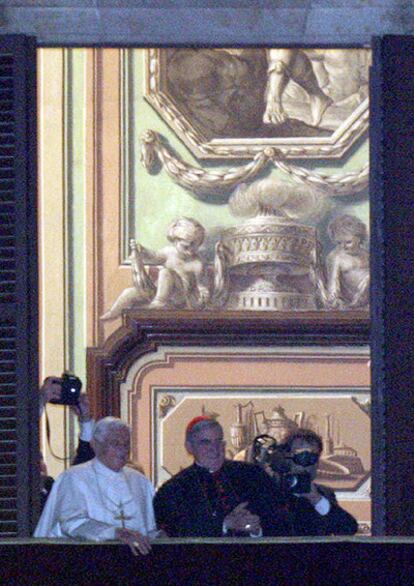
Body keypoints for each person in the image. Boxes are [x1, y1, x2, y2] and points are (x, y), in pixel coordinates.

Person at [153, 416, 293, 537]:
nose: (214, 448)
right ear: (189, 447)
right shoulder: (173, 489)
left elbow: (280, 518)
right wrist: (225, 524)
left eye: (218, 441)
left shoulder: (253, 475)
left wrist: (257, 529)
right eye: (205, 442)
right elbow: (175, 531)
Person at [34, 417, 157, 555]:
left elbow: (151, 528)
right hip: (88, 561)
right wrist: (114, 533)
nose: (123, 450)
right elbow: (71, 522)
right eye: (115, 443)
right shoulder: (74, 477)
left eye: (126, 444)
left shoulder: (140, 481)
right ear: (95, 445)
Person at [100, 217, 209, 319]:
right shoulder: (168, 252)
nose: (190, 251)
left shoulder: (197, 264)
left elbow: (201, 286)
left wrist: (203, 294)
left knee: (166, 272)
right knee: (129, 293)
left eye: (195, 247)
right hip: (159, 290)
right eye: (185, 246)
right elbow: (154, 256)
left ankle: (159, 302)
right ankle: (113, 312)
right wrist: (142, 251)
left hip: (178, 297)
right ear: (175, 241)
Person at [282, 428, 358, 536]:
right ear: (287, 458)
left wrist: (317, 499)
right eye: (300, 456)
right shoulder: (272, 492)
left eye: (312, 457)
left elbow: (348, 528)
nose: (307, 464)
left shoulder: (323, 493)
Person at [325, 214, 369, 310]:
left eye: (348, 242)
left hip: (368, 302)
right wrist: (334, 298)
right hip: (349, 303)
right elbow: (333, 281)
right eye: (339, 243)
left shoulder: (367, 255)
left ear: (359, 238)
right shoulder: (336, 257)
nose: (343, 246)